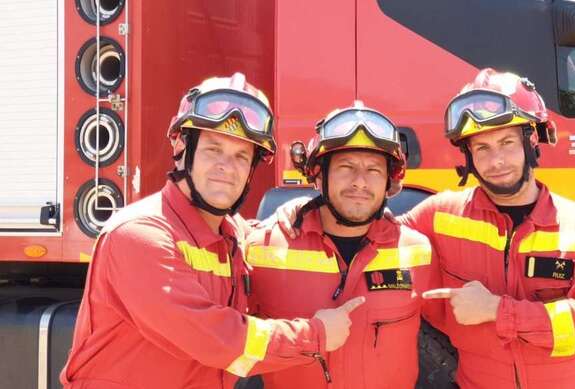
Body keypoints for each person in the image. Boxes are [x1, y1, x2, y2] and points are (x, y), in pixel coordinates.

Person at [276, 69, 575, 389]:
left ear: (531, 142)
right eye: (482, 148)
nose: (497, 161)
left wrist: (495, 311)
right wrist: (305, 210)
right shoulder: (440, 214)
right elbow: (369, 229)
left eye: (507, 143)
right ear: (468, 156)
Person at [60, 73, 358, 389]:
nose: (226, 167)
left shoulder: (232, 236)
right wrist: (317, 334)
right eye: (213, 149)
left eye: (241, 156)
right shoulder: (139, 235)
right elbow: (216, 340)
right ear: (180, 146)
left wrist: (298, 210)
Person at [245, 102, 439, 389]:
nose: (360, 182)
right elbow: (227, 345)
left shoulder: (418, 251)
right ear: (319, 177)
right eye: (346, 167)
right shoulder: (261, 247)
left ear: (390, 182)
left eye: (373, 169)